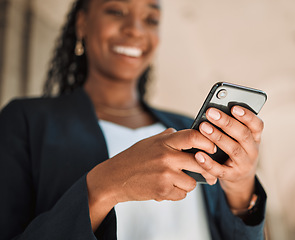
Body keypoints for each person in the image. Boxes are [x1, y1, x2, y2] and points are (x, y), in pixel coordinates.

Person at [0, 0, 266, 239]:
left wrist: (241, 187)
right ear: (82, 23)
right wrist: (106, 185)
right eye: (116, 11)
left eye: (150, 19)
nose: (136, 30)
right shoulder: (26, 120)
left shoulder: (190, 127)